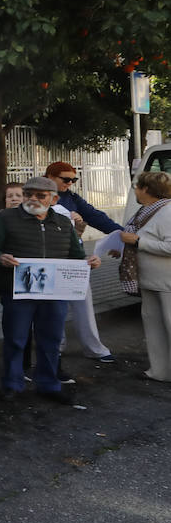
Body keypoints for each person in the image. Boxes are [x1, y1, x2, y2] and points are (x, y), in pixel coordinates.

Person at [0, 176, 100, 406]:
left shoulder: (63, 222)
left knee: (51, 339)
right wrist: (1, 257)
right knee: (16, 339)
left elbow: (75, 255)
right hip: (18, 291)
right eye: (28, 194)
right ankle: (12, 384)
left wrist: (89, 261)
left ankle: (48, 384)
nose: (32, 199)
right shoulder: (7, 218)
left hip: (54, 293)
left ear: (54, 199)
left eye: (40, 195)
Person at [45, 161, 118, 363]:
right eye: (65, 179)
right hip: (48, 259)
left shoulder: (72, 197)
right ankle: (56, 346)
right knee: (53, 305)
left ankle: (94, 347)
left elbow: (96, 217)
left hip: (74, 258)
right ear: (50, 176)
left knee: (83, 302)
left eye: (73, 179)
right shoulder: (37, 193)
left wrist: (120, 235)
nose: (70, 183)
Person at [120, 171, 171, 381]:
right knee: (154, 328)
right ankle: (160, 371)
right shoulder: (145, 211)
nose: (136, 191)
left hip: (166, 283)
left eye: (137, 187)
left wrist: (138, 242)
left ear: (147, 189)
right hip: (149, 281)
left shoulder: (167, 212)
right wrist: (122, 246)